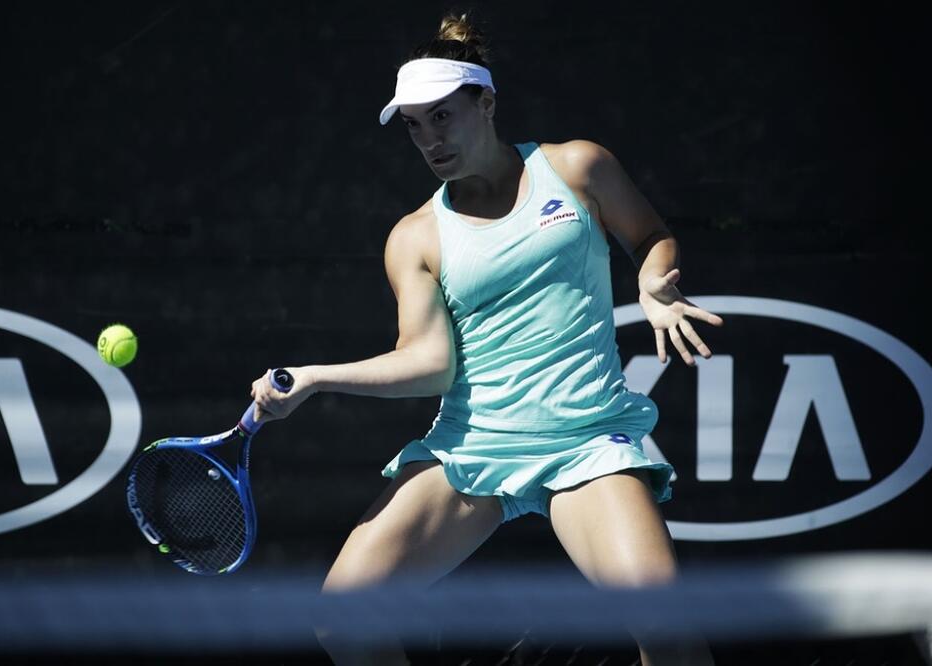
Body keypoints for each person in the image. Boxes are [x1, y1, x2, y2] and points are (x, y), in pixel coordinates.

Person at [250, 12, 723, 666]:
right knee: (343, 619)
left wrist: (650, 280)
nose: (429, 140)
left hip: (586, 439)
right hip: (472, 446)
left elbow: (649, 237)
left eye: (442, 116)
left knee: (667, 633)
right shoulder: (414, 237)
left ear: (488, 102)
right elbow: (429, 364)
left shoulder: (579, 167)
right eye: (414, 126)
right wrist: (318, 377)